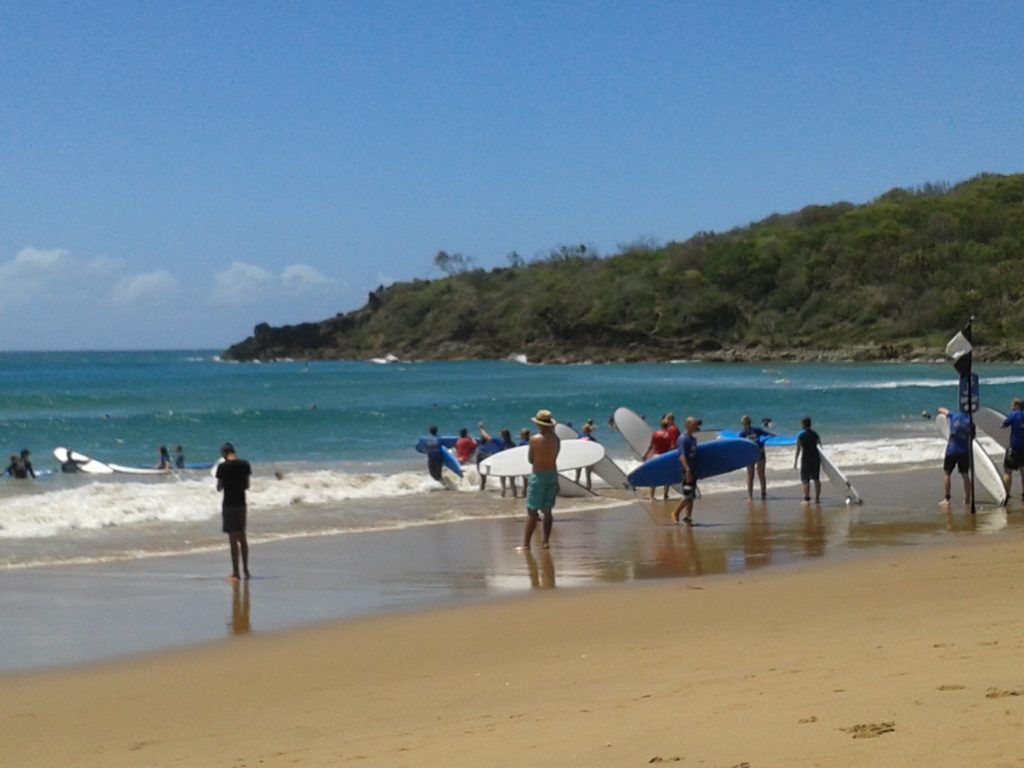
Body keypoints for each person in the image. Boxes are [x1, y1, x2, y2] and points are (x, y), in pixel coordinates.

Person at [521, 409, 561, 549]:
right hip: (552, 474)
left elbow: (531, 459)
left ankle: (526, 544)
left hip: (538, 475)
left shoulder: (534, 439)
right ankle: (545, 542)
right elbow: (554, 459)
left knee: (532, 511)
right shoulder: (556, 439)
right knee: (548, 510)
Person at [215, 442, 252, 581]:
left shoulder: (223, 467)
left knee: (232, 540)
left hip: (229, 505)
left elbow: (219, 487)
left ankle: (236, 573)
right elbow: (247, 485)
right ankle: (246, 570)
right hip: (241, 504)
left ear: (224, 454)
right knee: (242, 538)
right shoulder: (245, 464)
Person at [937, 406, 971, 506]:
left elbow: (942, 410)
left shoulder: (954, 415)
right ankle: (967, 500)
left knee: (947, 474)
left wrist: (938, 409)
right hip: (964, 451)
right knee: (965, 475)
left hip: (951, 450)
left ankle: (947, 499)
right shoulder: (970, 422)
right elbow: (972, 437)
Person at [671, 417, 701, 525]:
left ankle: (688, 517)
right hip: (686, 470)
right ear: (688, 425)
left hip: (693, 470)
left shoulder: (693, 439)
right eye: (694, 425)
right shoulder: (683, 439)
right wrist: (687, 470)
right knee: (688, 494)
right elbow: (681, 456)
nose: (696, 427)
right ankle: (675, 512)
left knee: (691, 495)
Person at [738, 415, 771, 499]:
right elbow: (769, 434)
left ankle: (756, 495)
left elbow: (767, 434)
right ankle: (757, 495)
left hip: (755, 454)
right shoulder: (746, 432)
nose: (743, 425)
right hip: (755, 453)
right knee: (756, 475)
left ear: (745, 423)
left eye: (743, 423)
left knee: (755, 475)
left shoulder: (749, 431)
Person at [643, 418, 674, 500]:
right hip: (666, 457)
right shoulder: (669, 435)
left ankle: (652, 496)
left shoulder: (655, 434)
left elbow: (651, 446)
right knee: (667, 476)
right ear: (667, 426)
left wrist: (645, 455)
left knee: (654, 476)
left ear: (660, 425)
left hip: (656, 457)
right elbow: (671, 447)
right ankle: (665, 495)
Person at [1000, 398, 1024, 502]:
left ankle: (1006, 494)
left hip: (1015, 448)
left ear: (1017, 405)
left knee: (1008, 471)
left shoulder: (1014, 415)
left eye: (1013, 405)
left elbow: (1003, 425)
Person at [793, 417, 822, 503]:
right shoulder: (815, 434)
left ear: (803, 424)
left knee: (805, 479)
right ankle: (817, 499)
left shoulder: (801, 436)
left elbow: (798, 449)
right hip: (815, 458)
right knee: (816, 479)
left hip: (806, 459)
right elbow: (820, 446)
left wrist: (795, 461)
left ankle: (806, 498)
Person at [476, 422, 504, 490]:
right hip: (487, 458)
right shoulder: (507, 443)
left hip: (482, 458)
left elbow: (486, 436)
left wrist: (481, 428)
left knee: (483, 478)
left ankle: (482, 488)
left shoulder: (482, 446)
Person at [499, 428, 518, 497]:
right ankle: (515, 497)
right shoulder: (513, 444)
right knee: (512, 484)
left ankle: (502, 498)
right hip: (511, 466)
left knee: (503, 485)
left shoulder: (501, 444)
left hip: (502, 466)